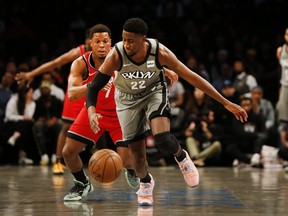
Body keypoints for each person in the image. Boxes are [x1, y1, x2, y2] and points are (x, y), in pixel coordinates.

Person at [86, 17, 248, 206]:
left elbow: (192, 77)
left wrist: (226, 103)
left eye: (131, 40)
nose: (126, 44)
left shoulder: (159, 52)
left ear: (143, 39)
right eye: (124, 39)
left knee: (162, 137)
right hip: (126, 100)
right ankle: (146, 183)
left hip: (153, 92)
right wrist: (91, 111)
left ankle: (182, 157)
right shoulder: (117, 54)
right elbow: (93, 87)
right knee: (137, 154)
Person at [62, 24, 140, 201]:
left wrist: (166, 70)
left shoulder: (120, 55)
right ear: (91, 43)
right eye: (97, 41)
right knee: (68, 151)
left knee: (126, 160)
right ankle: (82, 183)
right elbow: (72, 94)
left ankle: (132, 170)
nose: (102, 45)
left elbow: (145, 63)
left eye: (105, 41)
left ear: (111, 42)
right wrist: (93, 85)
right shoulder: (81, 63)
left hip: (120, 113)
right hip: (93, 111)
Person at [15, 28, 92, 174]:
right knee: (65, 127)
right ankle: (58, 161)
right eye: (90, 41)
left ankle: (103, 161)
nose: (92, 45)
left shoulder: (107, 53)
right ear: (87, 41)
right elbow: (54, 63)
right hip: (77, 91)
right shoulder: (78, 52)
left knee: (100, 126)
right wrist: (32, 73)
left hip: (93, 91)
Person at [226, 97, 267, 167]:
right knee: (230, 148)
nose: (246, 107)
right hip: (242, 144)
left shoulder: (258, 117)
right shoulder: (236, 118)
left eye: (248, 105)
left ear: (251, 105)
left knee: (259, 141)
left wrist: (251, 135)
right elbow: (239, 134)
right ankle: (251, 161)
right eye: (244, 105)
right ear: (240, 106)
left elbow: (264, 134)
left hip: (254, 144)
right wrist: (255, 135)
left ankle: (252, 158)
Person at [3, 86, 37, 165]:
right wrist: (21, 117)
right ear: (25, 94)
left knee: (28, 124)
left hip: (23, 125)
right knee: (24, 125)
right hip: (10, 124)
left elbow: (29, 117)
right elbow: (8, 116)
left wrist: (28, 103)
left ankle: (16, 136)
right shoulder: (14, 100)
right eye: (31, 92)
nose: (32, 94)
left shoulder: (32, 103)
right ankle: (22, 156)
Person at [276, 27, 288, 125]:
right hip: (284, 85)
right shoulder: (280, 50)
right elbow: (281, 70)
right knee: (283, 118)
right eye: (286, 34)